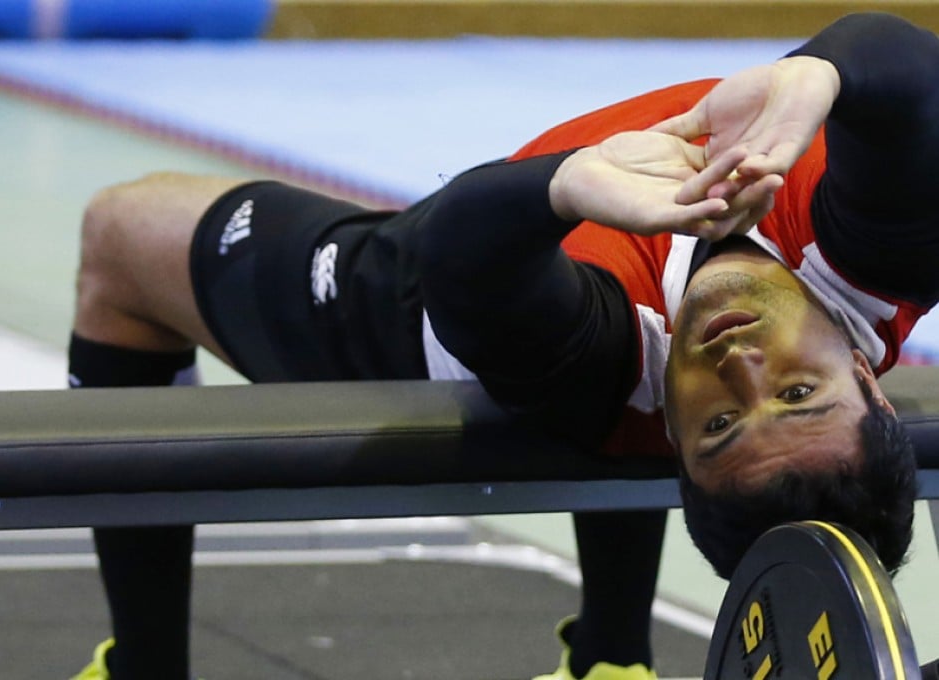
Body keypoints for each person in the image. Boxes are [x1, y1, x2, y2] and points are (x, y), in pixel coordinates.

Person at [67, 11, 935, 680]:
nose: (741, 363)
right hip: (559, 271)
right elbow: (902, 64)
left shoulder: (603, 363)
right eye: (796, 393)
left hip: (404, 313)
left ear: (671, 434)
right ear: (866, 374)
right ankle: (613, 660)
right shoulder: (882, 259)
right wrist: (819, 72)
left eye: (719, 425)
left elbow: (464, 256)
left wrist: (560, 188)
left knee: (119, 233)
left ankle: (145, 666)